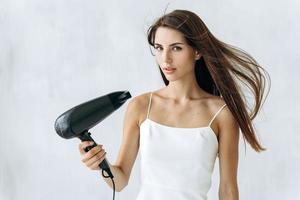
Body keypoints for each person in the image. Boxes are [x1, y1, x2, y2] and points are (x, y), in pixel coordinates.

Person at [78, 9, 270, 200]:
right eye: (159, 48)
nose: (165, 59)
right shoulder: (141, 106)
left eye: (176, 48)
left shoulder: (221, 113)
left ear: (197, 51)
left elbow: (228, 190)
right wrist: (101, 164)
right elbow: (119, 182)